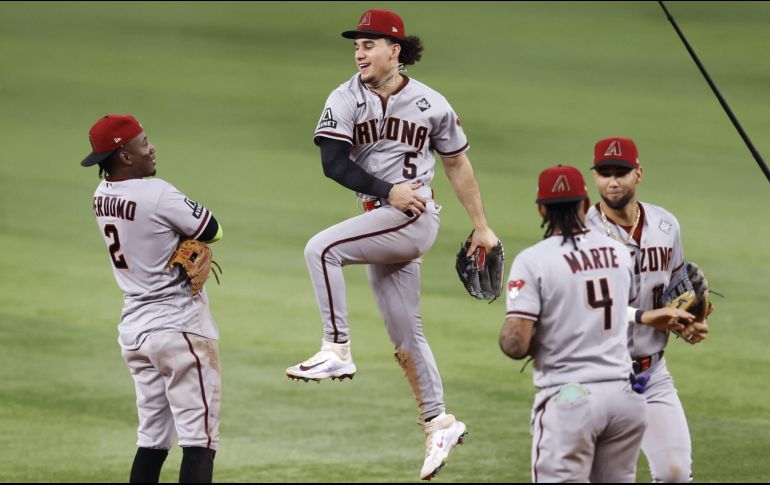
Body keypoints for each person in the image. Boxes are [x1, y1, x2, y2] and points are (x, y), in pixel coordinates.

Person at [285, 9, 500, 481]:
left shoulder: (431, 104)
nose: (359, 52)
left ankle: (336, 348)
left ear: (394, 50)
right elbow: (333, 164)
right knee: (406, 335)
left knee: (321, 250)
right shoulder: (344, 98)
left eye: (368, 44)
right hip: (383, 218)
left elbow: (458, 164)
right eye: (356, 45)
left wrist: (482, 226)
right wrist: (386, 191)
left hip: (415, 217)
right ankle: (439, 422)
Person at [499, 165, 692, 482]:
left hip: (571, 398)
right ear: (585, 206)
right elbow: (618, 311)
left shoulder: (533, 260)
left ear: (541, 208)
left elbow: (516, 344)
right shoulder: (618, 254)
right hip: (623, 396)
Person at [81, 114, 223, 483]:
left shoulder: (100, 196)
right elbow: (212, 228)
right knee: (199, 440)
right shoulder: (156, 192)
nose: (151, 147)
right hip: (178, 327)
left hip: (135, 333)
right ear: (125, 156)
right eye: (143, 143)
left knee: (152, 441)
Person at [585, 136, 710, 482]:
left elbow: (677, 292)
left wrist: (688, 323)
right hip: (597, 377)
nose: (613, 181)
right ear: (594, 176)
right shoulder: (580, 234)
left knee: (674, 473)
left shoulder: (666, 226)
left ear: (638, 173)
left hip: (651, 375)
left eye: (621, 172)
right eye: (605, 173)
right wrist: (645, 317)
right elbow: (583, 309)